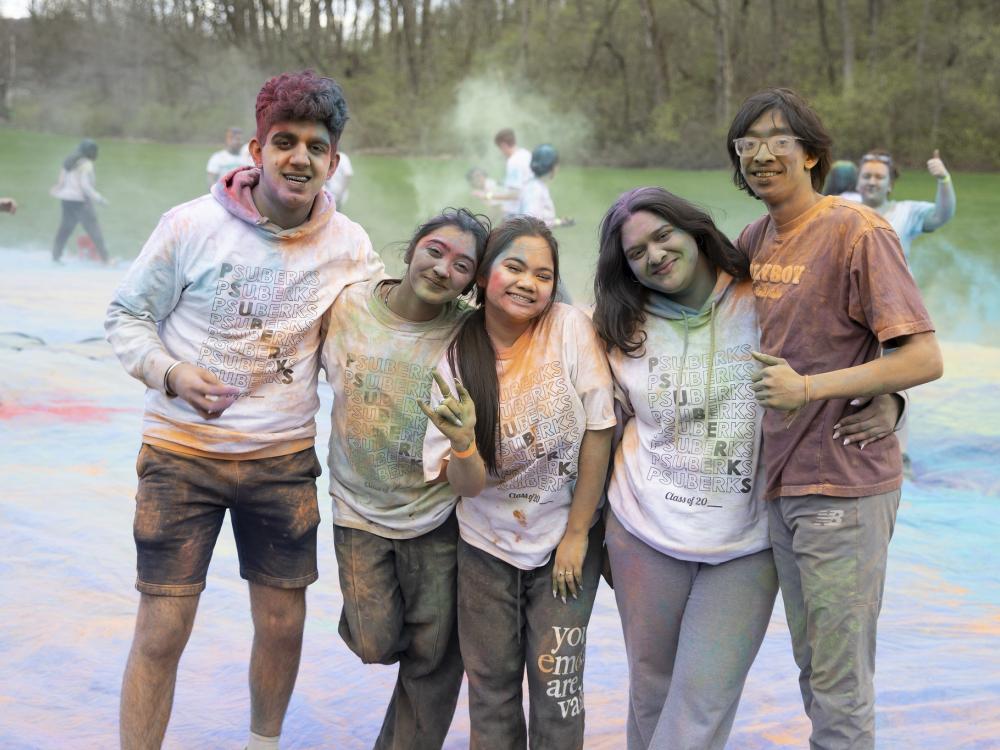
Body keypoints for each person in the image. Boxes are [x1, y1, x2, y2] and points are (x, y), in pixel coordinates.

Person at [105, 70, 385, 750]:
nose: (299, 158)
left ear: (333, 163)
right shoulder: (189, 226)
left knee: (285, 623)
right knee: (164, 628)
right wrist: (170, 372)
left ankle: (263, 743)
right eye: (284, 142)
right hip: (180, 457)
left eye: (315, 147)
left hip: (281, 463)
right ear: (255, 151)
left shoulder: (349, 245)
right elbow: (126, 316)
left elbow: (377, 338)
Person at [591, 186, 903, 750]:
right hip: (641, 532)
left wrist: (896, 399)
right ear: (627, 269)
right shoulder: (616, 326)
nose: (656, 255)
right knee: (650, 697)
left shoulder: (766, 298)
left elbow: (856, 352)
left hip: (746, 541)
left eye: (664, 236)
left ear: (695, 231)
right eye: (638, 253)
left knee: (699, 706)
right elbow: (594, 419)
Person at [727, 87, 943, 749]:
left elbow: (923, 356)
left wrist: (815, 387)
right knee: (816, 667)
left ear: (813, 154)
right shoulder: (753, 238)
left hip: (843, 486)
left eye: (777, 141)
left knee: (840, 679)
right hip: (781, 481)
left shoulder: (859, 231)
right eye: (747, 144)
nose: (761, 155)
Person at [422, 216, 616, 749]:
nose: (529, 282)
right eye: (514, 267)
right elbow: (467, 484)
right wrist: (463, 444)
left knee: (558, 691)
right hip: (485, 547)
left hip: (565, 544)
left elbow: (599, 432)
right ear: (484, 275)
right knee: (492, 692)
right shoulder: (455, 354)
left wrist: (578, 535)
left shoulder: (568, 328)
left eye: (544, 274)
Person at [322, 207, 490, 749]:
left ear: (473, 281)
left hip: (434, 516)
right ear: (412, 247)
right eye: (435, 251)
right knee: (374, 642)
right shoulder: (349, 305)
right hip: (357, 510)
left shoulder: (468, 332)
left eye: (462, 265)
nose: (443, 269)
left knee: (434, 654)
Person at [857, 148, 956, 259]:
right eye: (866, 176)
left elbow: (940, 216)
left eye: (879, 177)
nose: (872, 182)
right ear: (857, 182)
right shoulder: (845, 212)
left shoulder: (906, 212)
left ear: (890, 184)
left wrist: (944, 179)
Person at [50, 138, 109, 264]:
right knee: (94, 230)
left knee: (65, 228)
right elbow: (85, 186)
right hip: (80, 202)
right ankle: (106, 259)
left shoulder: (69, 161)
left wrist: (56, 190)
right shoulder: (86, 164)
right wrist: (99, 199)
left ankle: (55, 256)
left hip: (66, 200)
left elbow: (61, 181)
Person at [474, 128, 533, 218]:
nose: (501, 152)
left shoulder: (514, 161)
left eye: (499, 148)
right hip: (530, 210)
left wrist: (487, 196)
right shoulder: (527, 154)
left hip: (517, 214)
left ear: (504, 145)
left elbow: (514, 195)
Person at [518, 144, 574, 229]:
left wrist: (560, 222)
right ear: (551, 166)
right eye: (556, 165)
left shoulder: (536, 185)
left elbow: (541, 219)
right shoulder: (535, 189)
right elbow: (531, 224)